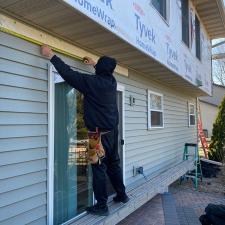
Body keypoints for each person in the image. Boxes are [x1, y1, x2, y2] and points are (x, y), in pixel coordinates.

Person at [41, 45, 129, 216]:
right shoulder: (112, 82)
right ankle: (122, 194)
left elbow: (69, 75)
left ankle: (102, 206)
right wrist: (95, 64)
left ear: (102, 69)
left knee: (98, 168)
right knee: (114, 164)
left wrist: (51, 55)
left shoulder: (92, 83)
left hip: (97, 135)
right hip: (112, 132)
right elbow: (104, 72)